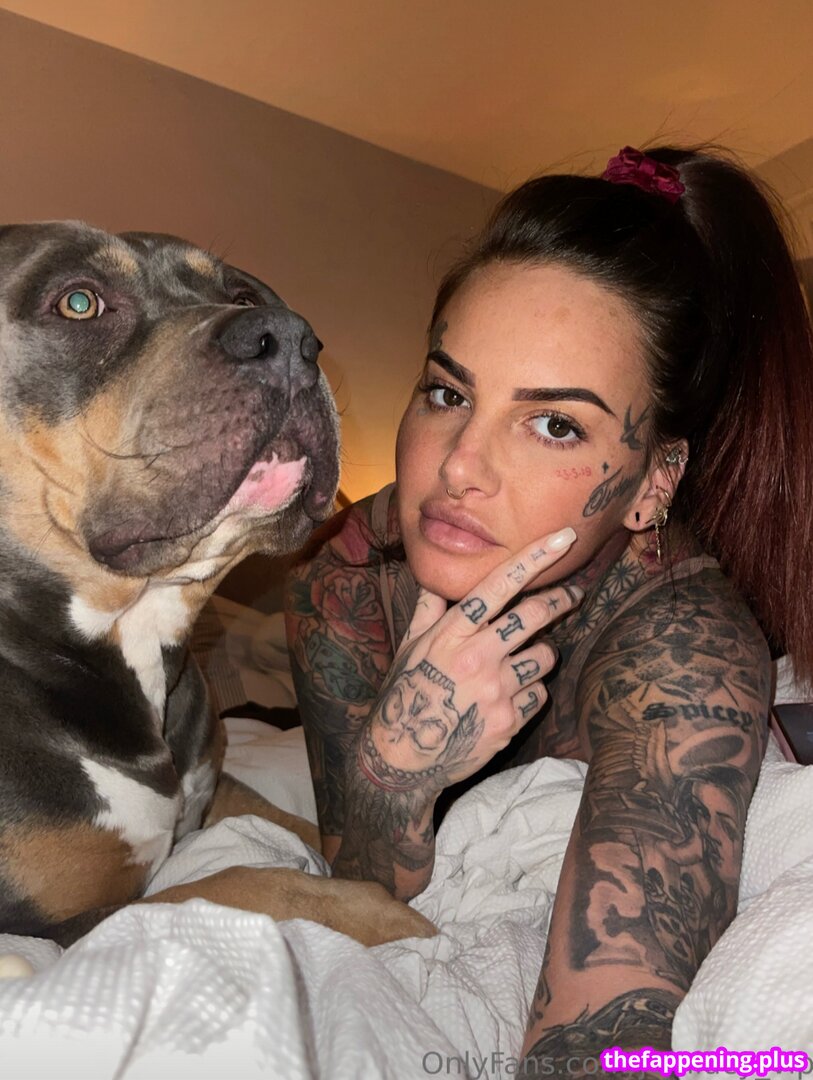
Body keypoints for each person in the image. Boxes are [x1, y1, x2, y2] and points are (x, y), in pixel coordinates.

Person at [284, 145, 813, 1075]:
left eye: (555, 423)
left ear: (653, 482)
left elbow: (601, 1044)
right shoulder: (346, 581)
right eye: (447, 392)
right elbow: (359, 886)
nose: (459, 465)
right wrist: (391, 773)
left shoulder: (682, 653)